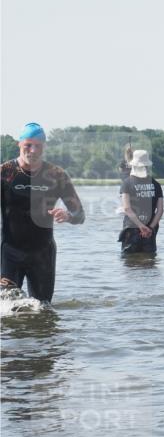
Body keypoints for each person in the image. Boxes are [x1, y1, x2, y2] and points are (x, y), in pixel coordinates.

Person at [0, 122, 85, 302]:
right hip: (10, 253)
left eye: (38, 146)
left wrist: (68, 216)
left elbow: (80, 215)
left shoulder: (57, 175)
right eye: (28, 145)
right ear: (19, 144)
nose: (33, 150)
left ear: (44, 147)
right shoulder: (5, 173)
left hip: (43, 255)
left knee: (42, 309)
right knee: (6, 309)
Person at [118, 150, 164, 254]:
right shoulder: (156, 184)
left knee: (130, 260)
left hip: (131, 229)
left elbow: (127, 209)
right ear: (147, 166)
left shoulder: (127, 183)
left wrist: (140, 226)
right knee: (149, 259)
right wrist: (149, 228)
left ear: (133, 165)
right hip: (150, 230)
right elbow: (160, 210)